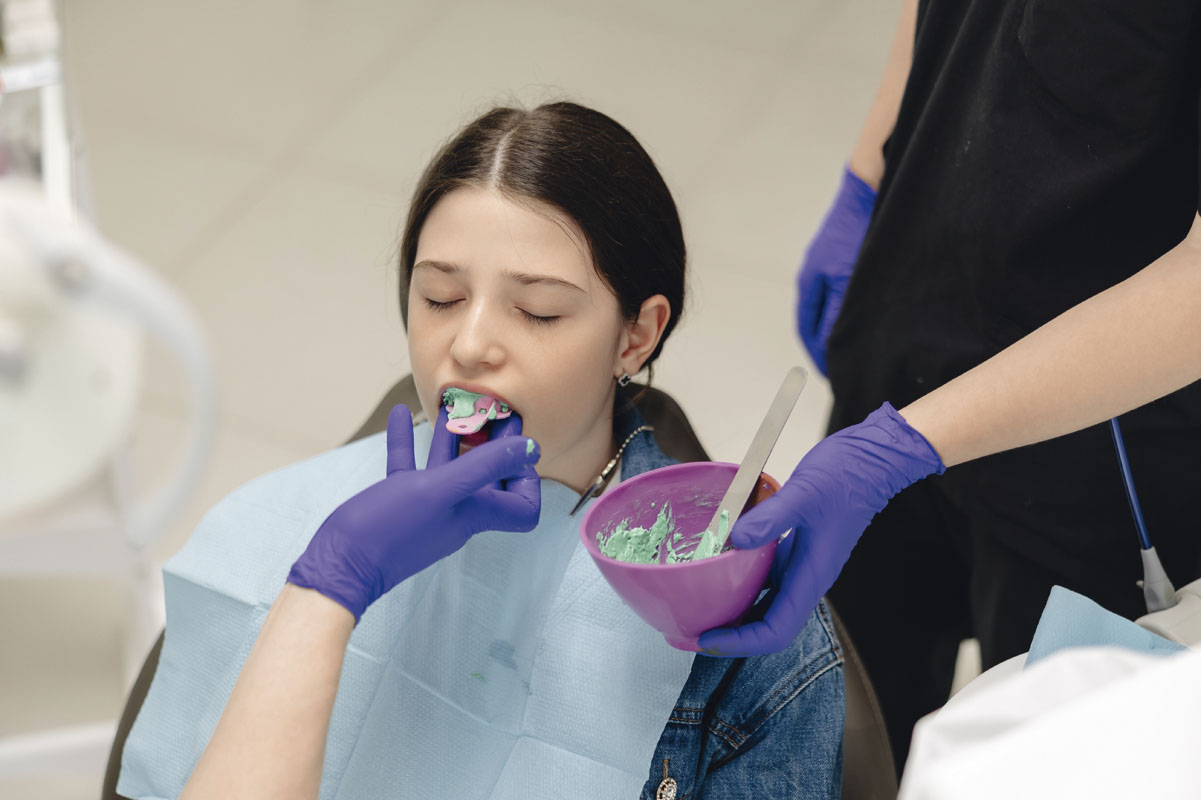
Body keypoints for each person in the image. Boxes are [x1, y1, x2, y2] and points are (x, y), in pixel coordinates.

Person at [115, 102, 845, 800]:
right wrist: (330, 583)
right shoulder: (282, 524)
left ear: (635, 336)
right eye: (440, 298)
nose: (467, 346)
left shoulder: (736, 626)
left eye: (537, 311)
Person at [696, 0, 1201, 774]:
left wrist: (902, 447)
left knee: (1037, 757)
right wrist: (865, 175)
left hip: (1101, 436)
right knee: (842, 712)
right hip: (913, 313)